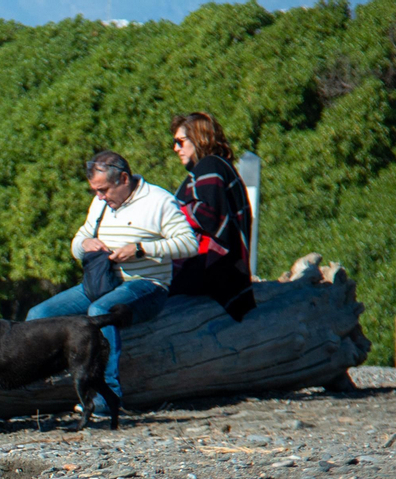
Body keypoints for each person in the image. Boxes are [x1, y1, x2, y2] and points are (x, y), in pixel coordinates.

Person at [26, 150, 197, 411]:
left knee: (100, 311)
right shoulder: (100, 203)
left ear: (124, 179)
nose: (99, 196)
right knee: (39, 313)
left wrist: (140, 249)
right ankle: (36, 384)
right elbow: (77, 243)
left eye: (103, 190)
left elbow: (189, 244)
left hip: (145, 285)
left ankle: (108, 399)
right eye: (96, 190)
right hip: (102, 283)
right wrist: (85, 244)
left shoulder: (159, 201)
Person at [169, 112, 256, 320]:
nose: (176, 148)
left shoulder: (210, 165)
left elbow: (209, 214)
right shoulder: (216, 166)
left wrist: (168, 214)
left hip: (212, 266)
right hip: (219, 268)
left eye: (180, 142)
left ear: (199, 138)